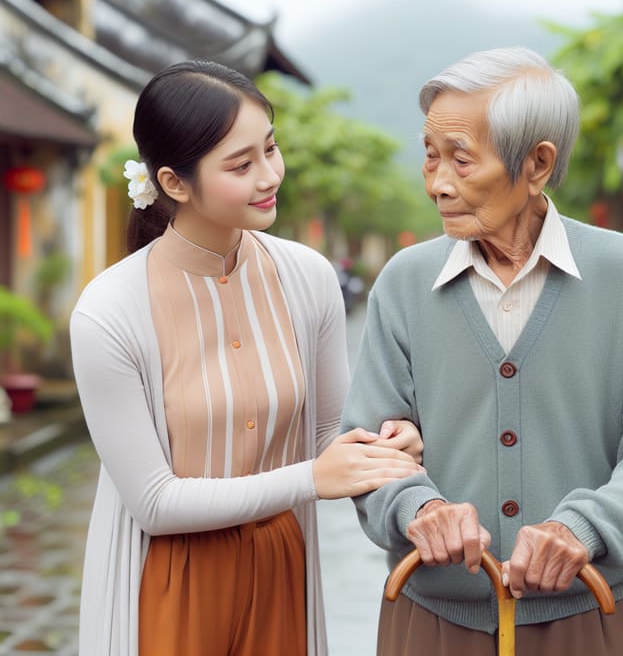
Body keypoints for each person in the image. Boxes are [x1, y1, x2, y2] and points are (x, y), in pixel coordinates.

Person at [340, 46, 623, 655]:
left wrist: (581, 528)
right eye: (430, 158)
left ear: (536, 164)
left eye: (460, 160)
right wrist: (420, 508)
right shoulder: (403, 284)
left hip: (593, 619)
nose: (437, 184)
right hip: (434, 622)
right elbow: (370, 453)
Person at [69, 60, 425, 656]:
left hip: (280, 565)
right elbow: (155, 503)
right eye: (240, 165)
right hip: (170, 580)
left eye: (271, 148)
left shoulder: (308, 278)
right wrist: (313, 479)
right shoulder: (109, 311)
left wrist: (388, 445)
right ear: (175, 183)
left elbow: (329, 436)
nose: (269, 176)